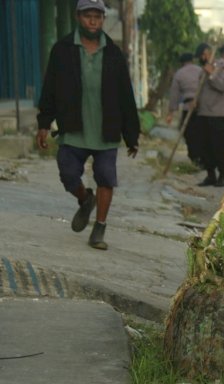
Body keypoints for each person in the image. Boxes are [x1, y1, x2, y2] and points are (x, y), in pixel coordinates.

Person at [36, 0, 139, 251]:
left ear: (103, 19)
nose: (93, 21)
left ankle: (99, 228)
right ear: (78, 18)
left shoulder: (113, 53)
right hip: (74, 128)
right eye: (87, 16)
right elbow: (50, 88)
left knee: (106, 177)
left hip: (106, 131)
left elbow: (126, 95)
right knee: (68, 173)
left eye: (97, 16)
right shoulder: (62, 50)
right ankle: (85, 199)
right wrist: (44, 123)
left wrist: (131, 134)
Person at [193, 43, 224, 187]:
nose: (201, 59)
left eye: (202, 56)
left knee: (219, 146)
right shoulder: (202, 69)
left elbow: (223, 86)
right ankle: (210, 175)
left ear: (208, 53)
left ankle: (222, 176)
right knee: (205, 146)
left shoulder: (222, 66)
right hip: (203, 113)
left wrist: (212, 74)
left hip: (217, 114)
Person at [167, 52, 202, 167]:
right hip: (202, 107)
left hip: (188, 106)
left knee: (189, 133)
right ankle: (201, 157)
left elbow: (174, 95)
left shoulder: (179, 74)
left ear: (182, 63)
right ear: (193, 60)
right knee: (202, 132)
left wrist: (171, 112)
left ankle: (194, 157)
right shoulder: (200, 70)